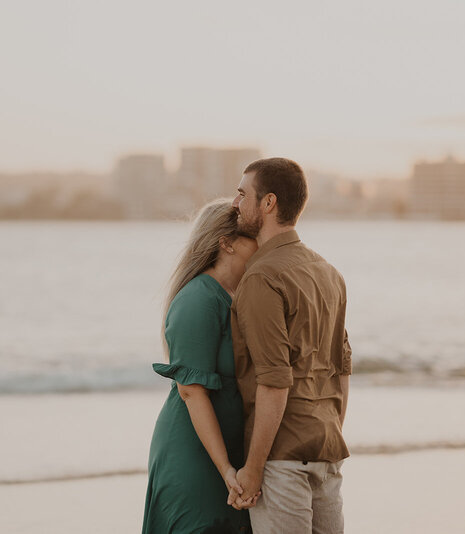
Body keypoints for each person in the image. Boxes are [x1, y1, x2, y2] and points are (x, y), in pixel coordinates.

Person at [228, 158, 352, 534]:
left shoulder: (262, 277)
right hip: (326, 451)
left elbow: (274, 382)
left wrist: (252, 470)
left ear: (268, 203)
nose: (235, 204)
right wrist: (326, 434)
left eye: (242, 194)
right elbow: (342, 369)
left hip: (283, 462)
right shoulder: (328, 272)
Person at [142, 199, 261, 534]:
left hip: (231, 454)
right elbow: (192, 393)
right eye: (255, 236)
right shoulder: (198, 299)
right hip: (197, 454)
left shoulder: (242, 296)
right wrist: (225, 469)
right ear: (226, 243)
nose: (264, 242)